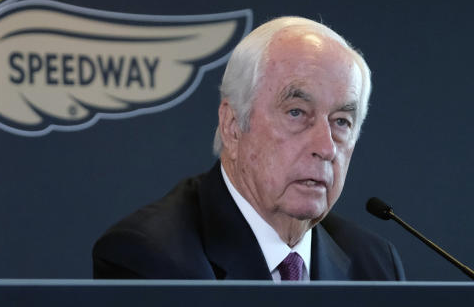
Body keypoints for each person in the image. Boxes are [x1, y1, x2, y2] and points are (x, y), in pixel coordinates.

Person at [93, 16, 405, 281]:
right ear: (232, 125)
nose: (326, 148)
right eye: (296, 112)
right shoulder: (151, 258)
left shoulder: (374, 266)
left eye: (341, 122)